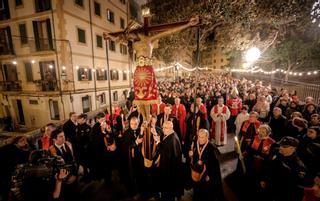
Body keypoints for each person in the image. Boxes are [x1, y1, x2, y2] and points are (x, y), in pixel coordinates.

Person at [264, 136, 308, 201]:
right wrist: (264, 179)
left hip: (283, 193)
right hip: (269, 186)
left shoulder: (298, 165)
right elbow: (268, 166)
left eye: (284, 147)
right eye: (281, 145)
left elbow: (294, 185)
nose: (280, 148)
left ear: (293, 148)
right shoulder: (276, 151)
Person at [189, 129, 224, 201]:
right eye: (199, 137)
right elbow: (193, 158)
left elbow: (215, 166)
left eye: (202, 137)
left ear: (207, 137)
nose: (200, 139)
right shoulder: (196, 144)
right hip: (197, 174)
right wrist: (191, 155)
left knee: (206, 194)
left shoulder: (212, 148)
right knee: (197, 191)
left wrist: (210, 175)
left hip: (206, 175)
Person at [157, 121, 183, 201]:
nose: (163, 130)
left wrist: (158, 143)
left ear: (171, 128)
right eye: (163, 127)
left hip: (169, 169)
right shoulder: (172, 134)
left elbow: (164, 153)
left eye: (165, 128)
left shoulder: (171, 139)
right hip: (173, 167)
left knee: (168, 190)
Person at [75, 114, 91, 181]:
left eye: (80, 119)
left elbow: (89, 139)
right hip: (79, 148)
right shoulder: (78, 127)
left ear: (84, 119)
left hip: (85, 149)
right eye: (78, 119)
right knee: (82, 163)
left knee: (86, 163)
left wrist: (85, 147)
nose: (78, 120)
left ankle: (88, 177)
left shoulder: (87, 128)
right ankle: (85, 175)